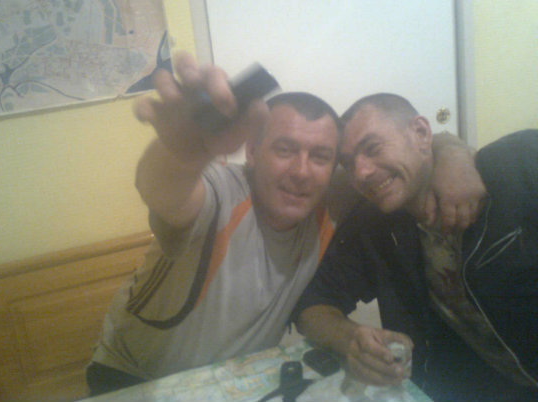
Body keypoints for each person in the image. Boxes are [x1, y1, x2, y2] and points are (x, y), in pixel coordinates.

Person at [86, 55, 479, 396]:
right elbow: (164, 191)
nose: (302, 172)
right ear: (253, 151)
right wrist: (181, 152)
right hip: (136, 380)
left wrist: (453, 154)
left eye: (321, 156)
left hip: (241, 381)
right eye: (285, 149)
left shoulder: (334, 196)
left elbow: (410, 152)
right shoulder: (221, 194)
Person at [293, 93, 538, 402]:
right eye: (348, 163)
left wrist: (452, 150)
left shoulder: (518, 162)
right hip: (484, 388)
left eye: (373, 148)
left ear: (421, 133)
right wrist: (351, 338)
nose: (361, 173)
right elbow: (312, 302)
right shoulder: (376, 226)